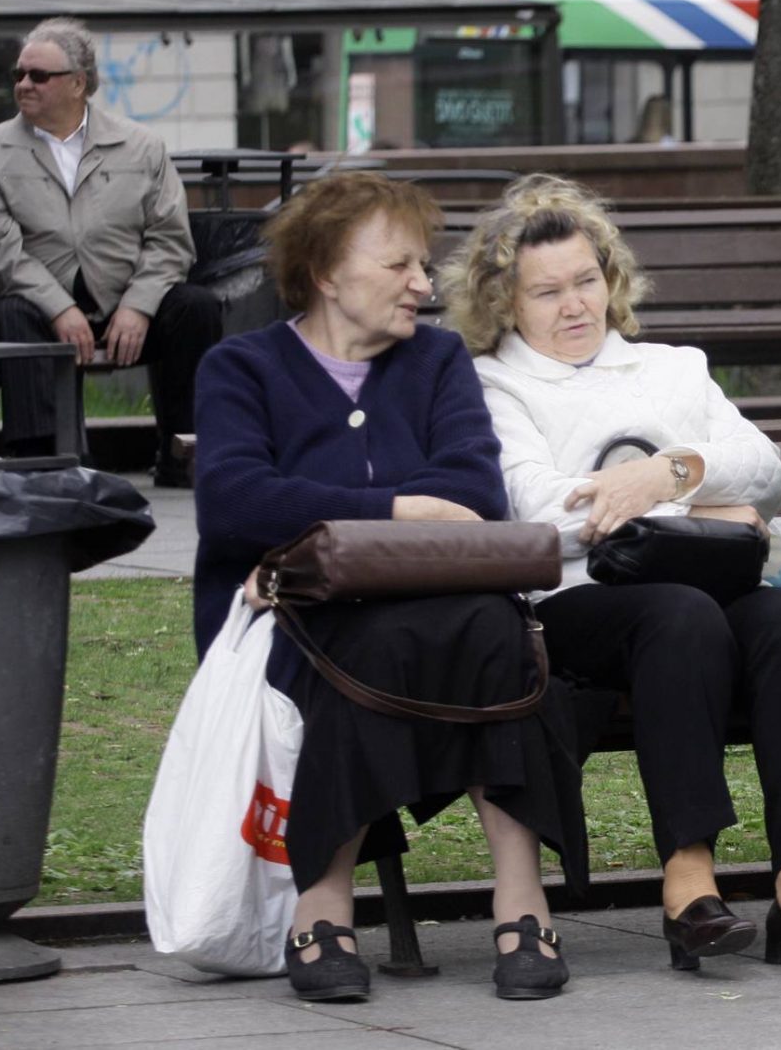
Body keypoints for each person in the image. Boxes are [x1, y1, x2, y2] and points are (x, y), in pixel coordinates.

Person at [442, 175, 781, 975]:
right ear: (505, 302)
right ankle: (688, 876)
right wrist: (696, 504)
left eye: (586, 281)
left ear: (611, 279)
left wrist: (667, 472)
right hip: (579, 604)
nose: (574, 305)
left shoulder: (673, 365)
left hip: (707, 589)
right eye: (546, 291)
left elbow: (768, 473)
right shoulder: (494, 383)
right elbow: (538, 508)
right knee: (679, 614)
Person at [192, 172, 585, 1003]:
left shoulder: (436, 359)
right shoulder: (242, 366)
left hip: (440, 609)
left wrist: (328, 521)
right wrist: (396, 505)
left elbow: (476, 492)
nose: (423, 283)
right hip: (301, 622)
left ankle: (521, 896)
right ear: (330, 272)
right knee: (374, 646)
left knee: (496, 635)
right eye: (400, 264)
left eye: (424, 264)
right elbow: (233, 501)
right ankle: (323, 898)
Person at [0, 17, 220, 486]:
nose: (24, 84)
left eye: (38, 76)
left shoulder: (140, 146)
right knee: (10, 313)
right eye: (18, 75)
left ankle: (182, 454)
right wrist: (59, 306)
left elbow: (170, 239)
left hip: (127, 299)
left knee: (196, 308)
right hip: (42, 302)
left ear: (78, 83)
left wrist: (140, 306)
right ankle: (42, 460)